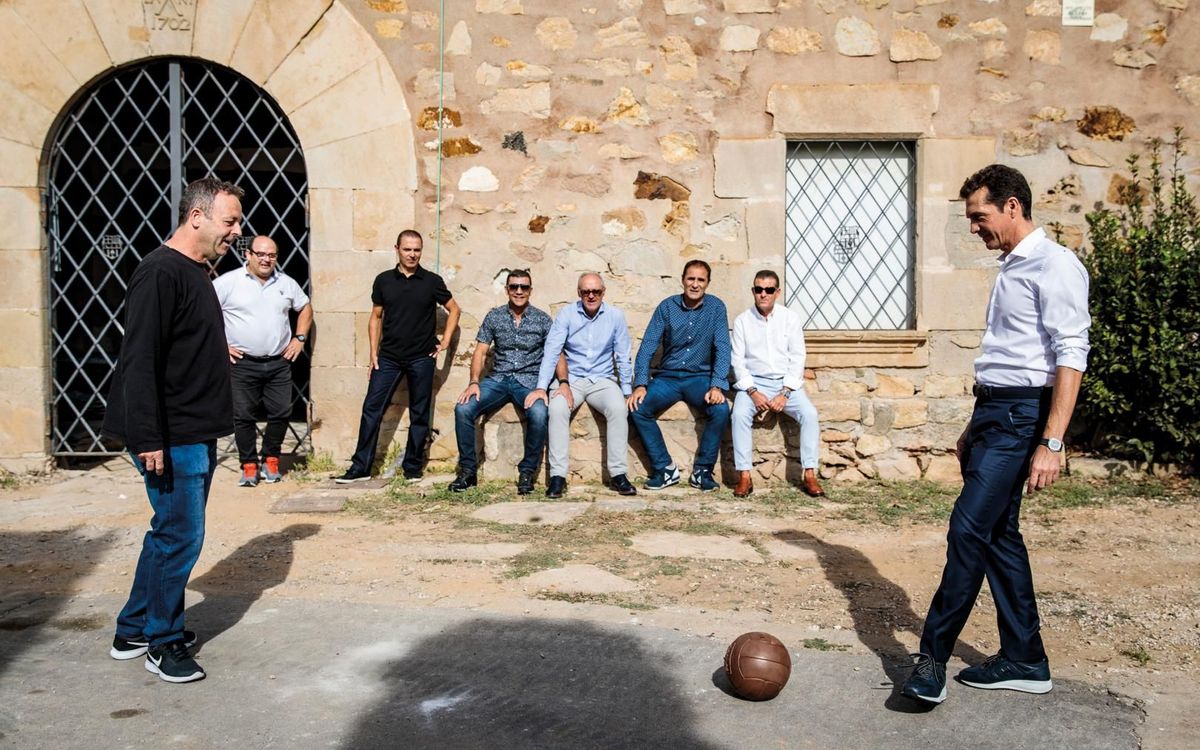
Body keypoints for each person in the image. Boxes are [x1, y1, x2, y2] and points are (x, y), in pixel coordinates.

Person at [901, 164, 1091, 705]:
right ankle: (1025, 659)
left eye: (979, 216)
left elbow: (1069, 355)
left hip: (1020, 420)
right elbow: (1009, 356)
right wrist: (972, 424)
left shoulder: (1055, 266)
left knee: (966, 530)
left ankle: (932, 659)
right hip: (992, 416)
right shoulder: (1012, 265)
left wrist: (1052, 442)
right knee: (998, 535)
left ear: (1013, 206)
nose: (973, 228)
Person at [102, 176, 244, 683]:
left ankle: (133, 627)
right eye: (229, 223)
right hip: (172, 434)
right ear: (197, 216)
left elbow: (181, 344)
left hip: (192, 429)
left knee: (168, 532)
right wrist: (148, 438)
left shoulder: (195, 271)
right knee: (182, 536)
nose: (235, 233)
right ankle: (162, 642)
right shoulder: (160, 272)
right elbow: (139, 359)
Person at [336, 230, 460, 483]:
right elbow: (376, 317)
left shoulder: (431, 281)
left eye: (417, 250)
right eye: (407, 249)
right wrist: (373, 353)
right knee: (372, 409)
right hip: (389, 357)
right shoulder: (383, 280)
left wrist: (445, 341)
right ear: (397, 249)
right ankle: (360, 468)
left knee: (419, 413)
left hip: (422, 357)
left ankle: (412, 468)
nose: (412, 254)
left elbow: (454, 309)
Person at [525, 272, 638, 498]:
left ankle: (618, 474)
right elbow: (552, 351)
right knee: (556, 409)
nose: (591, 295)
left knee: (618, 408)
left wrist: (627, 390)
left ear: (603, 293)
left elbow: (623, 355)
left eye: (596, 291)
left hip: (602, 379)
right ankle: (558, 477)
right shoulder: (566, 314)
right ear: (579, 293)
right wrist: (541, 386)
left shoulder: (615, 316)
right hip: (572, 379)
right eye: (586, 291)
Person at [213, 235, 313, 487]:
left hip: (278, 362)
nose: (267, 259)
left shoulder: (286, 283)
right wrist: (221, 345)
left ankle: (271, 459)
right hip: (242, 362)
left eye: (272, 255)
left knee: (281, 412)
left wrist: (299, 338)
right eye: (261, 254)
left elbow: (305, 307)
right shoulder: (228, 283)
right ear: (248, 255)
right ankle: (248, 465)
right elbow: (204, 312)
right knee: (243, 416)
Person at [628, 260, 731, 491]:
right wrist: (641, 384)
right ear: (683, 279)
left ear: (707, 283)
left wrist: (717, 385)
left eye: (700, 280)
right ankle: (664, 469)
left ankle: (702, 471)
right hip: (668, 378)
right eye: (691, 278)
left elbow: (723, 348)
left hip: (699, 378)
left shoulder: (716, 308)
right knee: (638, 408)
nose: (695, 284)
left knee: (721, 409)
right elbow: (647, 347)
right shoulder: (667, 307)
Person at [450, 269, 552, 494]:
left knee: (539, 413)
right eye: (514, 286)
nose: (518, 291)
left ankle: (527, 471)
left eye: (523, 287)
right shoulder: (494, 316)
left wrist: (561, 382)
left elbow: (556, 354)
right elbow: (480, 352)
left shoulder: (543, 319)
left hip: (528, 381)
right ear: (507, 290)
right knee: (463, 409)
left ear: (530, 290)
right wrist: (474, 381)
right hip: (498, 379)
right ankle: (468, 471)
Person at [729, 270, 825, 499]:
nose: (763, 294)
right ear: (753, 291)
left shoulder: (790, 318)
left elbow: (797, 357)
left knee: (809, 414)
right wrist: (752, 391)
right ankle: (744, 475)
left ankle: (809, 473)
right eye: (759, 289)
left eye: (769, 289)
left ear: (777, 292)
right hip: (754, 383)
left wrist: (785, 392)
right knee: (739, 414)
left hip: (785, 383)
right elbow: (737, 361)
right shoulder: (742, 321)